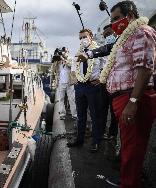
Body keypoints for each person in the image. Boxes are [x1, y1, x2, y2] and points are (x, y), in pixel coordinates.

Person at [102, 1, 156, 187]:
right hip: (122, 98)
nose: (114, 23)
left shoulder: (142, 32)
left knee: (133, 148)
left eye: (117, 18)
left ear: (131, 15)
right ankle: (128, 180)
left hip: (131, 98)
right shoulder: (126, 38)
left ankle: (129, 183)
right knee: (129, 146)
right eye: (112, 20)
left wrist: (133, 102)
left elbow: (145, 68)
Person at [67, 29, 104, 153]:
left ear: (91, 37)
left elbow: (107, 65)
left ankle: (96, 142)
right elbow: (73, 68)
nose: (82, 39)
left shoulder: (99, 50)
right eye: (80, 38)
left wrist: (101, 79)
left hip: (93, 86)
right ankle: (79, 139)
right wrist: (75, 81)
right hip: (80, 87)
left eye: (84, 37)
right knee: (80, 116)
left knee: (95, 116)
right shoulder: (78, 53)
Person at [53, 47, 77, 120]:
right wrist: (55, 61)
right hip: (61, 83)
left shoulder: (70, 58)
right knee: (61, 99)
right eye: (63, 52)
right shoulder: (58, 61)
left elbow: (71, 65)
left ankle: (74, 114)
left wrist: (63, 59)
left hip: (69, 82)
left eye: (65, 52)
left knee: (72, 99)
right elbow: (54, 70)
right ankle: (62, 114)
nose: (64, 53)